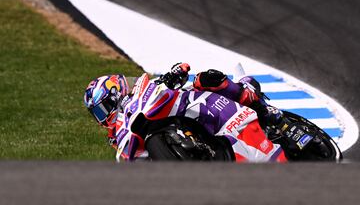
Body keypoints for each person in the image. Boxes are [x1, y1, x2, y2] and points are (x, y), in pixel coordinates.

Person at [84, 63, 283, 149]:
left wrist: (174, 73)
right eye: (97, 114)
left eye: (102, 108)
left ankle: (256, 102)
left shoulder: (140, 88)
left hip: (183, 105)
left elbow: (162, 83)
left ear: (115, 94)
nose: (102, 117)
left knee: (205, 79)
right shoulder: (117, 137)